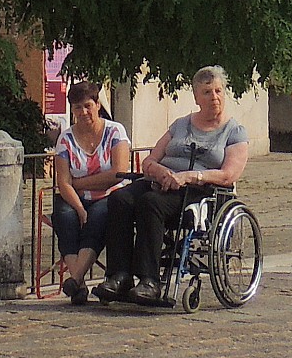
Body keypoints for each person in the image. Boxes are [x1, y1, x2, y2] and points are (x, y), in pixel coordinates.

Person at [100, 65, 250, 304]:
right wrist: (159, 171)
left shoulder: (234, 132)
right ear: (196, 97)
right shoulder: (180, 125)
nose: (214, 97)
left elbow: (228, 175)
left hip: (198, 191)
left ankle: (150, 281)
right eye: (207, 92)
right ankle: (119, 275)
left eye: (218, 91)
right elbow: (150, 159)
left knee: (151, 204)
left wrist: (188, 177)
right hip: (161, 181)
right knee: (120, 199)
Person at [50, 79, 130, 303]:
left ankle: (74, 279)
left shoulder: (115, 131)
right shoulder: (65, 138)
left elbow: (117, 173)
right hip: (75, 198)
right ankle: (79, 284)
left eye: (88, 105)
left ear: (97, 105)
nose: (83, 112)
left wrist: (81, 183)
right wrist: (79, 207)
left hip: (110, 195)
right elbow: (63, 182)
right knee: (65, 217)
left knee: (99, 217)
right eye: (78, 107)